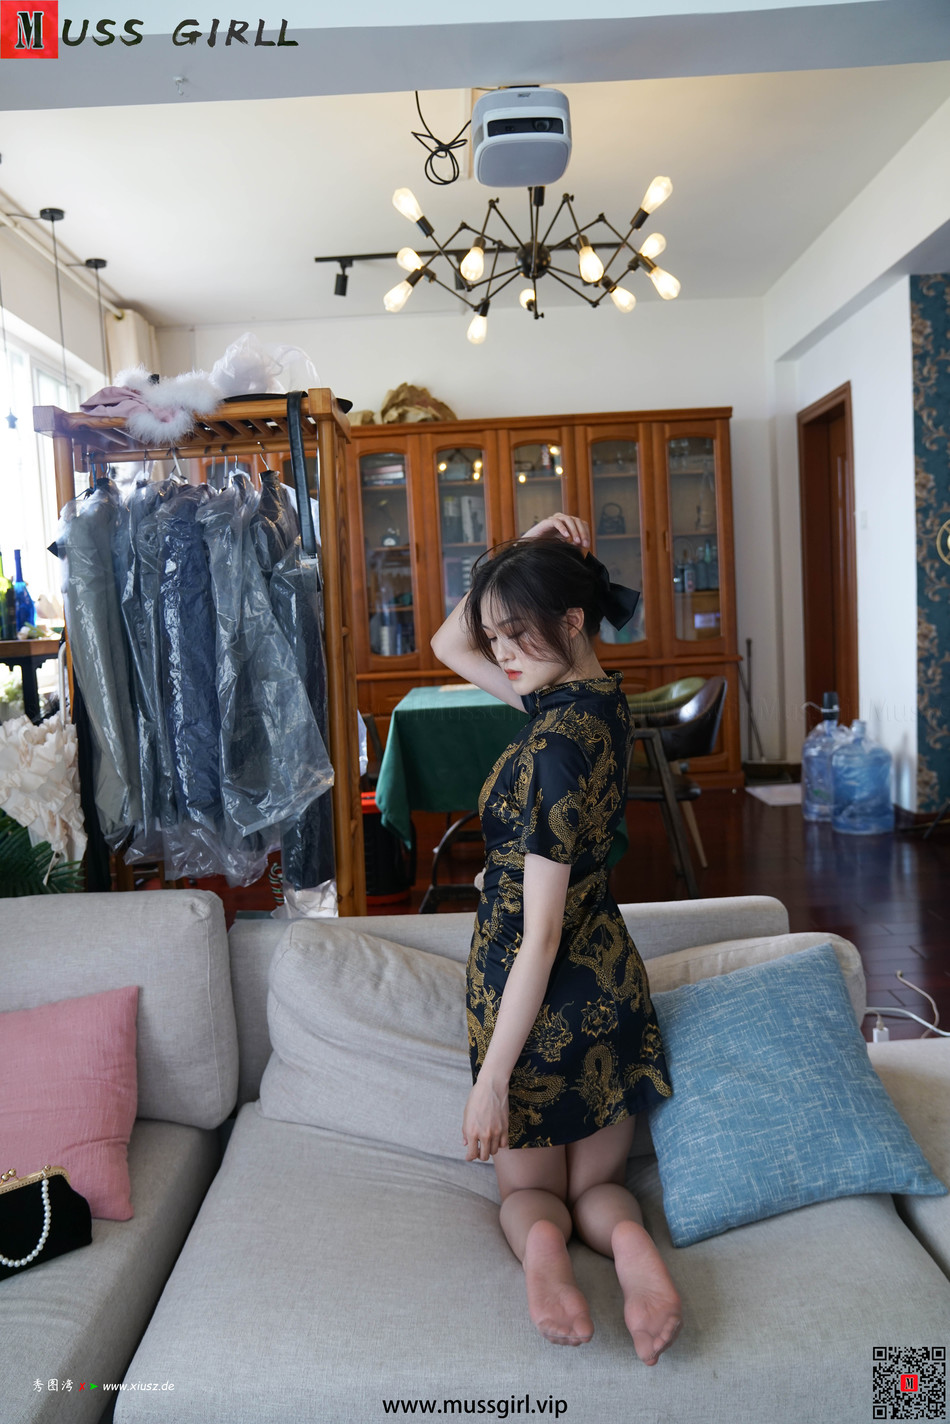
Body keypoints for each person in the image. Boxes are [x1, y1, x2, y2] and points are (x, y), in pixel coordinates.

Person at [431, 513, 681, 1364]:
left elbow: (537, 938)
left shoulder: (551, 744)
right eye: (495, 635)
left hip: (532, 1001)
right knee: (602, 1186)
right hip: (605, 982)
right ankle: (629, 1244)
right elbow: (450, 642)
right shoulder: (595, 703)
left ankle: (544, 1250)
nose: (499, 653)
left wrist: (492, 1081)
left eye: (516, 633)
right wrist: (521, 556)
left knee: (529, 1196)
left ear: (572, 621)